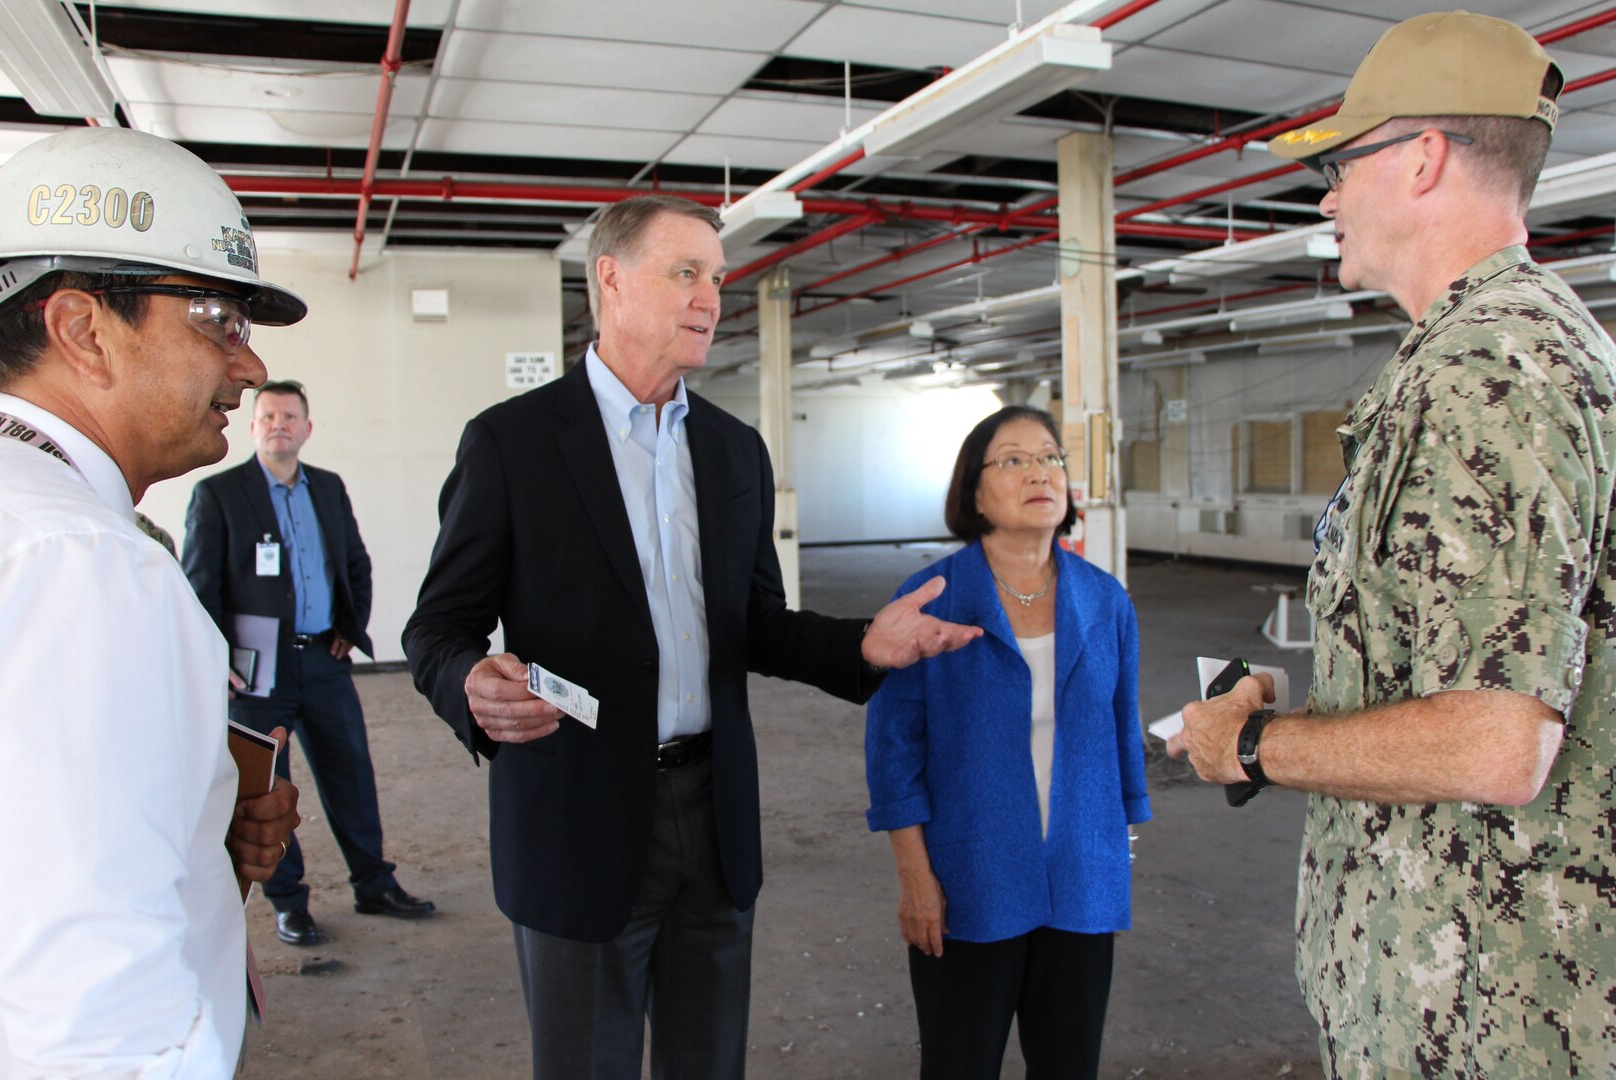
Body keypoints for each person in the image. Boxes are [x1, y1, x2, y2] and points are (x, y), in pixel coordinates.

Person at [402, 194, 981, 1080]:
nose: (710, 297)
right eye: (685, 273)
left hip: (713, 817)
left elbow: (756, 624)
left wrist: (864, 644)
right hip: (578, 817)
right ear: (611, 280)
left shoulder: (732, 449)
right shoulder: (513, 444)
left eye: (716, 277)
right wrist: (467, 682)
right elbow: (437, 625)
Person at [1169, 12, 1616, 1078]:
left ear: (1423, 160)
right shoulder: (1495, 355)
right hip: (1455, 994)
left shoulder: (1490, 377)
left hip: (1491, 1018)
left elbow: (1492, 746)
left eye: (1343, 162)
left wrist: (1252, 748)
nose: (1325, 194)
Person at [0, 126, 303, 1074]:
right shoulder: (81, 562)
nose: (248, 368)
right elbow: (97, 1016)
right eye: (217, 317)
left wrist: (194, 816)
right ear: (83, 330)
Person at [865, 406, 1149, 1080]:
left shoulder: (1104, 600)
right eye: (1013, 460)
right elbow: (894, 747)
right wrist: (915, 877)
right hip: (969, 879)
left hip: (1079, 875)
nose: (1039, 473)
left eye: (1051, 458)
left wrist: (1116, 844)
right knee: (960, 1062)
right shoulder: (932, 597)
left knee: (1069, 1063)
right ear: (976, 490)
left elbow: (1120, 727)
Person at [184, 379, 435, 946]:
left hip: (323, 659)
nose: (279, 424)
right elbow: (200, 586)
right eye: (268, 415)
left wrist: (352, 625)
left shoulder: (327, 487)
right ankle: (288, 902)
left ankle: (374, 883)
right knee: (268, 790)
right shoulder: (219, 495)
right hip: (257, 672)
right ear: (253, 426)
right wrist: (216, 657)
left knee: (352, 774)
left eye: (290, 416)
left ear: (306, 428)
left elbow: (354, 562)